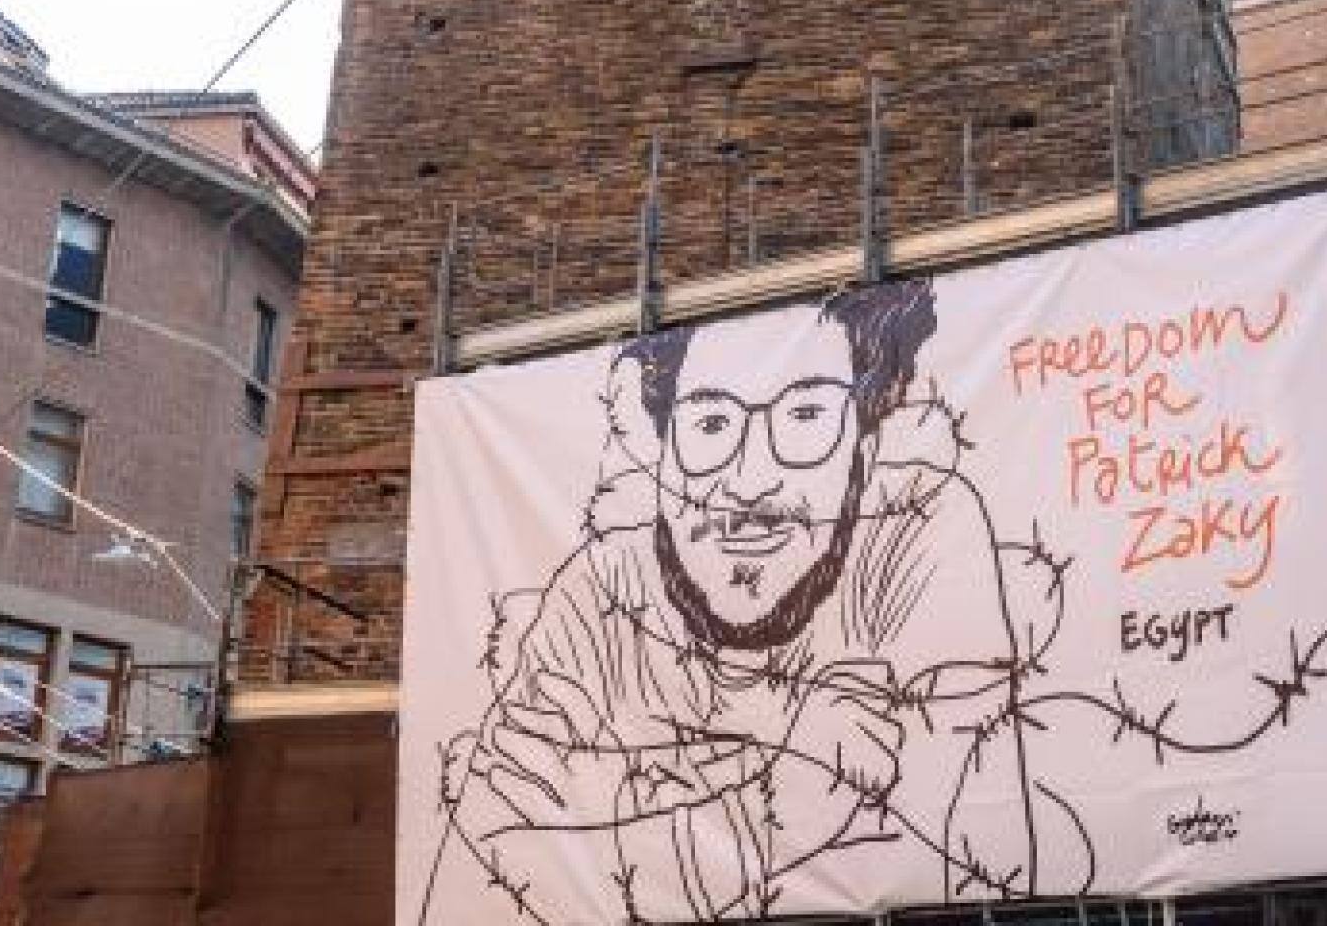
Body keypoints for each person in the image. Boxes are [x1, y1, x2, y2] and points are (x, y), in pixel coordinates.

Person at [432, 277, 1066, 923]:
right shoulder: (599, 595)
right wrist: (790, 794)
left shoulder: (916, 529)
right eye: (710, 424)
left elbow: (969, 853)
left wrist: (611, 815)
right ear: (661, 455)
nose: (750, 477)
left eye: (806, 416)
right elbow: (479, 866)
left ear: (863, 444)